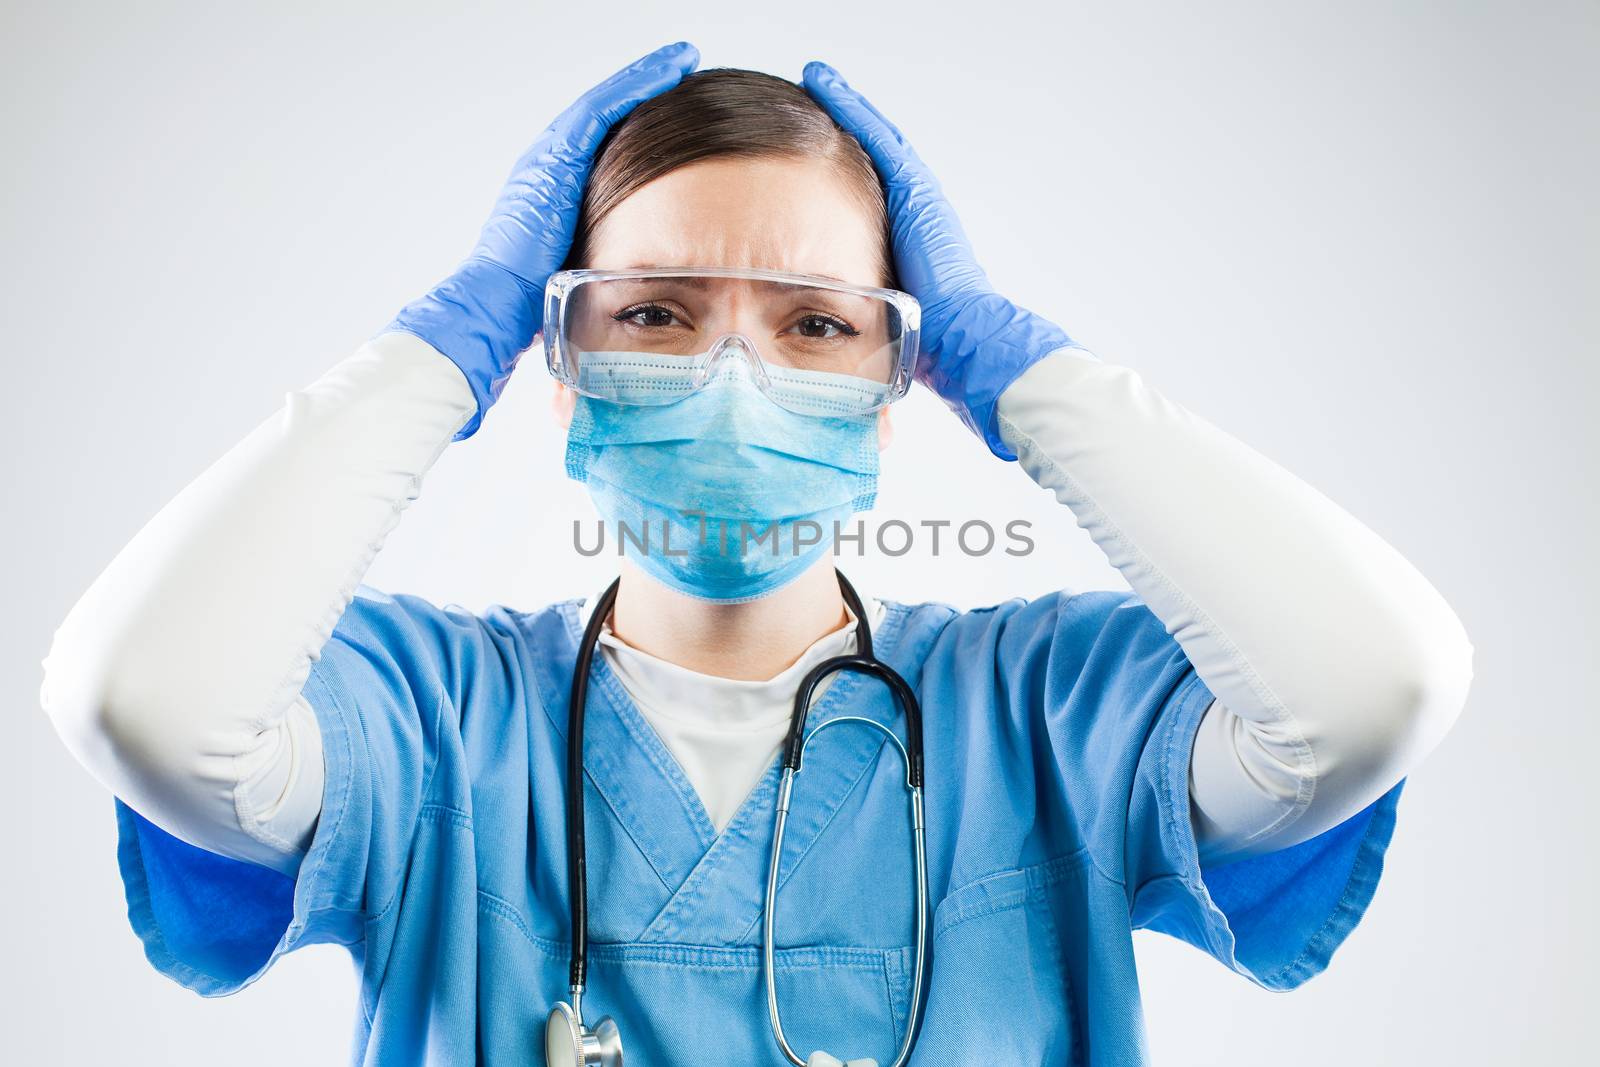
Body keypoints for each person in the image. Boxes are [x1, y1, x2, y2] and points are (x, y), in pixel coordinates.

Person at [39, 41, 1474, 1067]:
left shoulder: (1049, 717)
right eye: (656, 314)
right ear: (556, 359)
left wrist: (1021, 376)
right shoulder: (428, 723)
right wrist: (436, 349)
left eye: (818, 323)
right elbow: (143, 706)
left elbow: (1373, 689)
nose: (735, 374)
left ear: (904, 378)